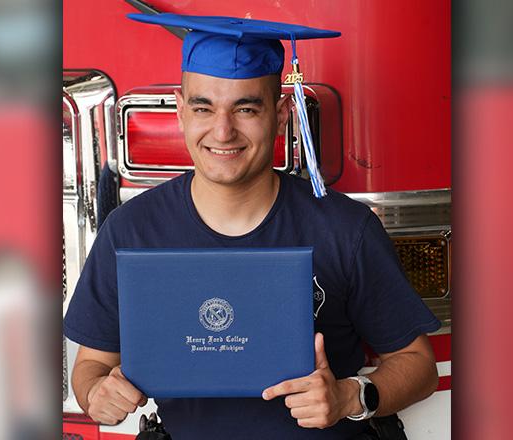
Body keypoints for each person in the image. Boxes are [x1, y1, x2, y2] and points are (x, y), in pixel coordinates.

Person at [64, 14, 440, 439]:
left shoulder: (344, 229)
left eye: (245, 108)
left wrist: (350, 397)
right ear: (180, 110)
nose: (223, 131)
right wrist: (96, 392)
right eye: (204, 107)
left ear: (280, 115)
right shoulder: (131, 231)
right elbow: (91, 366)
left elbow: (419, 367)